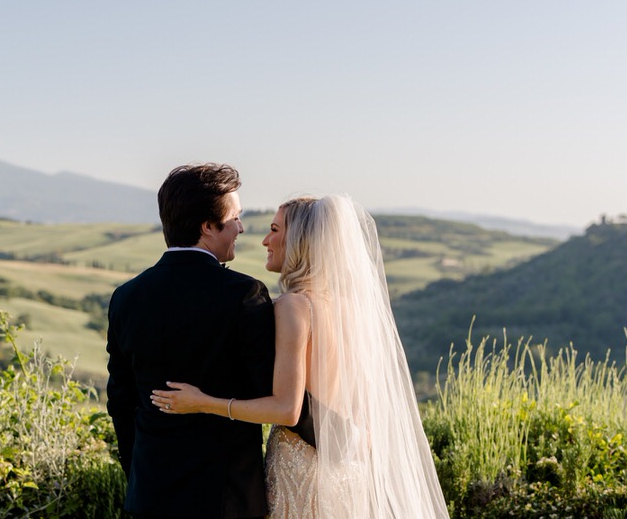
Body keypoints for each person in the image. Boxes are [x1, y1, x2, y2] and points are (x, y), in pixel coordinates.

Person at [151, 195, 450, 518]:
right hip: (349, 473)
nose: (266, 239)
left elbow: (287, 410)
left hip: (302, 474)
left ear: (298, 241)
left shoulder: (294, 307)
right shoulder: (353, 311)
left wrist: (202, 402)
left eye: (275, 229)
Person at [106, 163, 276, 518]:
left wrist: (141, 478)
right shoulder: (244, 294)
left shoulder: (126, 297)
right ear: (207, 227)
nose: (241, 228)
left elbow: (122, 403)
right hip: (225, 498)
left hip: (149, 497)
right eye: (235, 219)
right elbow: (269, 392)